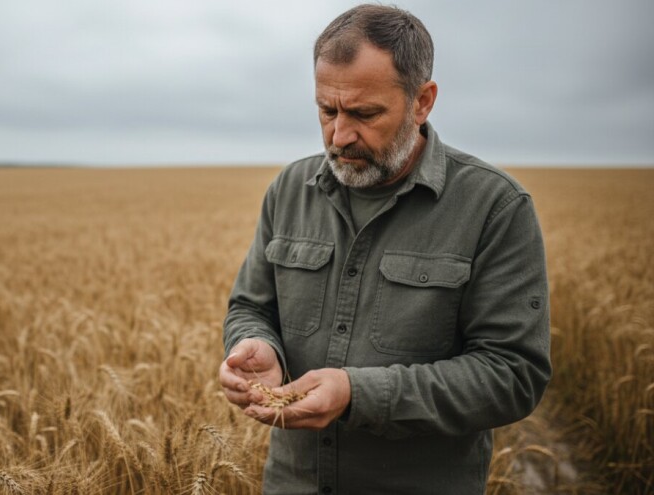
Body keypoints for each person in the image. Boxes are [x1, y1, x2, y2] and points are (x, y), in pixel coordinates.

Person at [219, 4, 551, 494]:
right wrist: (255, 346)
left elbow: (513, 374)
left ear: (422, 101)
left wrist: (359, 394)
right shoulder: (289, 190)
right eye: (326, 111)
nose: (339, 135)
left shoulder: (495, 207)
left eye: (364, 113)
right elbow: (250, 306)